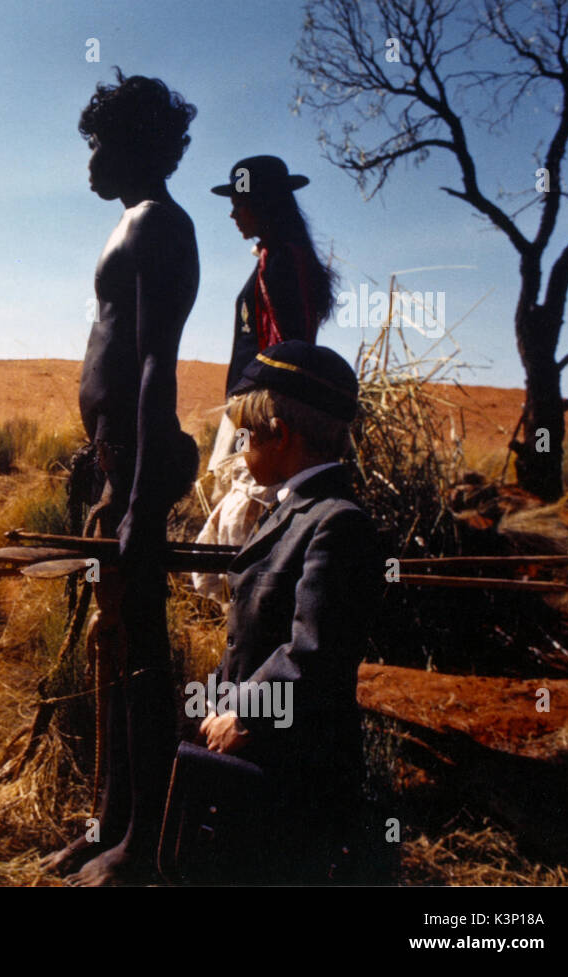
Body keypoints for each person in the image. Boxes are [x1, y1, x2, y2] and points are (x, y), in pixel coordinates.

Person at [43, 68, 199, 886]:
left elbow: (153, 369)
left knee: (143, 653)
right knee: (116, 649)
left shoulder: (162, 228)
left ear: (139, 143)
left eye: (101, 142)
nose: (91, 159)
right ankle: (109, 819)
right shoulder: (135, 224)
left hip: (138, 466)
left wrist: (137, 501)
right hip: (115, 466)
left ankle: (143, 841)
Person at [197, 340, 382, 883]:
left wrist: (247, 714)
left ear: (279, 432)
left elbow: (315, 654)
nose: (239, 449)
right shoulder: (288, 510)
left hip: (295, 769)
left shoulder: (336, 523)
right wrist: (215, 698)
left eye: (244, 435)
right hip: (261, 755)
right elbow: (252, 638)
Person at [205, 155, 338, 473]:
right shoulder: (279, 257)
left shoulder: (282, 261)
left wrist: (261, 422)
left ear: (264, 204)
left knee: (241, 486)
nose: (232, 214)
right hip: (249, 408)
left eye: (240, 204)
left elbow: (287, 344)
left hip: (259, 411)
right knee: (232, 483)